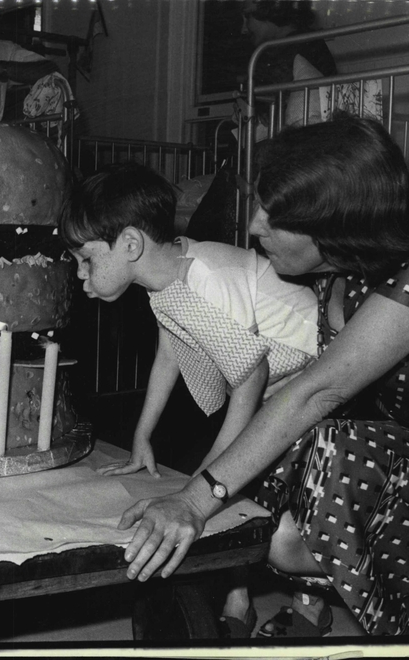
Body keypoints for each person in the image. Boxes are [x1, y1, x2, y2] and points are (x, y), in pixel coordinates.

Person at [119, 115, 409, 638]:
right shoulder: (337, 277)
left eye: (276, 217)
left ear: (336, 222)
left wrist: (193, 501)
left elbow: (320, 390)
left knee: (323, 444)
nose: (253, 226)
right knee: (259, 480)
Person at [59, 163, 318, 481]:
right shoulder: (165, 279)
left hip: (315, 357)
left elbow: (251, 374)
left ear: (130, 244)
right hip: (279, 381)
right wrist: (142, 437)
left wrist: (206, 479)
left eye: (86, 259)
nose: (81, 273)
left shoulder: (205, 277)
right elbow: (170, 357)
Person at [241, 0, 337, 129]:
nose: (243, 30)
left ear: (269, 9)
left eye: (248, 17)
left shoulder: (306, 45)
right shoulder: (265, 52)